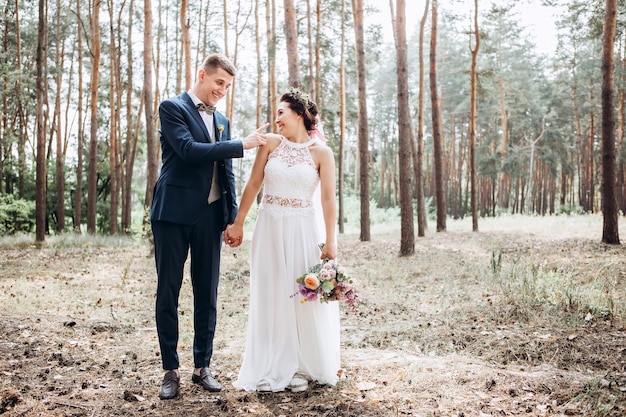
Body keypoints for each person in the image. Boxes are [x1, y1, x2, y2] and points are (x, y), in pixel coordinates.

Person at [150, 53, 267, 400]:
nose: (222, 91)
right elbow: (187, 150)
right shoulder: (172, 107)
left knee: (208, 293)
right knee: (168, 290)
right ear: (202, 75)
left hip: (211, 216)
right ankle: (170, 370)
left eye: (227, 87)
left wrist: (232, 217)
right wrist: (240, 145)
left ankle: (203, 366)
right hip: (172, 213)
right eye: (219, 83)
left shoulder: (223, 121)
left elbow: (225, 172)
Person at [225, 88, 341, 393]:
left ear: (299, 114)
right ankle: (272, 363)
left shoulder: (322, 153)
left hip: (303, 229)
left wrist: (330, 241)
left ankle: (302, 363)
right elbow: (252, 184)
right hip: (269, 227)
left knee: (301, 296)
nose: (276, 119)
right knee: (271, 292)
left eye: (281, 112)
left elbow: (328, 200)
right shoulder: (271, 145)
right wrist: (238, 224)